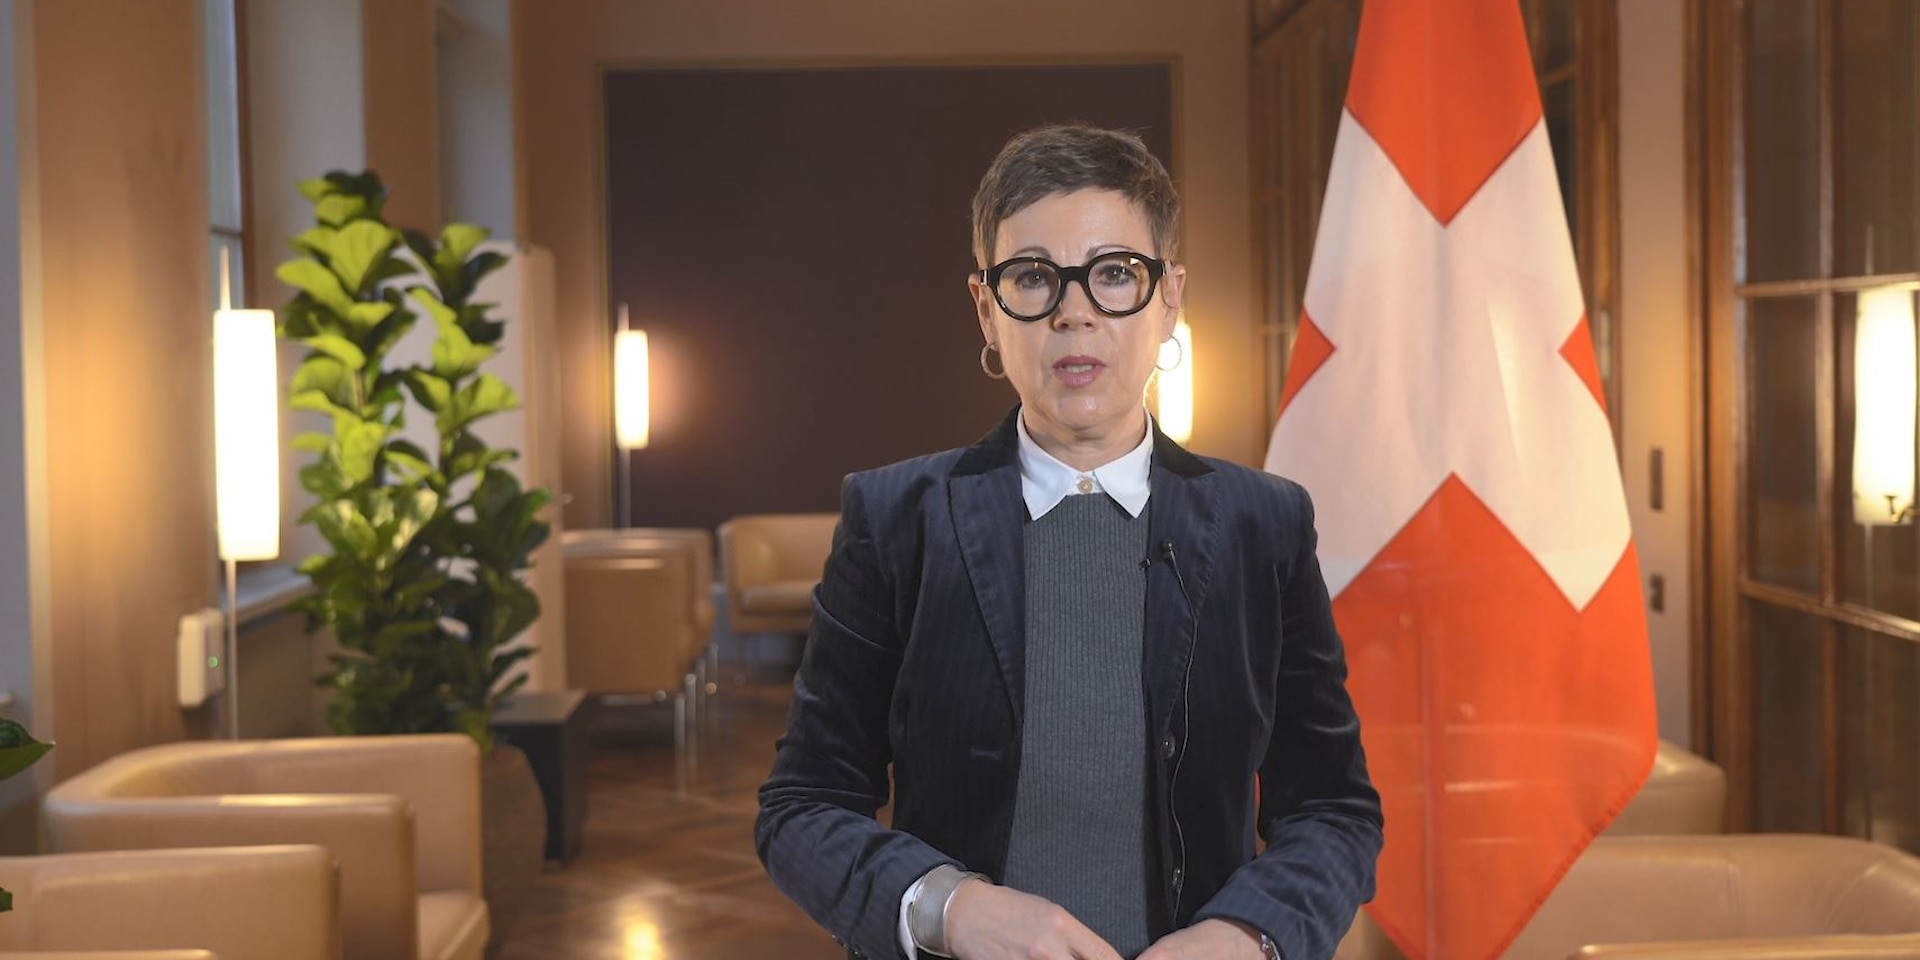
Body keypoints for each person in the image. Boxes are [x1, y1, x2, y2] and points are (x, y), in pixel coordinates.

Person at [755, 123, 1382, 960]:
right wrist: (952, 910)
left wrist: (1247, 935)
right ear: (987, 307)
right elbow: (804, 805)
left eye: (1116, 274)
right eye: (1034, 278)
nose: (1075, 311)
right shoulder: (895, 518)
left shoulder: (1262, 525)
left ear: (1169, 301)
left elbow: (1333, 811)